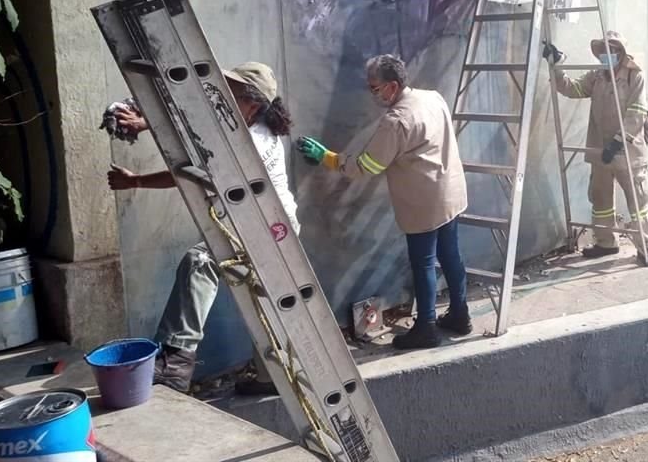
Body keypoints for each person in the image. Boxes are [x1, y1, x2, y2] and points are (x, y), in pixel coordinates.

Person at [106, 62, 298, 395]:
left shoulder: (249, 139)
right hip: (269, 226)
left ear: (252, 103)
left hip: (266, 228)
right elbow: (193, 130)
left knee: (200, 262)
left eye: (232, 92)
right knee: (264, 306)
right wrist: (146, 122)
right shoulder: (240, 125)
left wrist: (138, 166)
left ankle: (176, 364)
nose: (218, 97)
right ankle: (269, 380)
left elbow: (187, 170)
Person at [298, 54, 470, 350]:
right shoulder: (433, 98)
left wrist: (326, 157)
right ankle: (460, 315)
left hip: (423, 203)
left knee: (424, 263)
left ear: (392, 86)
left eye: (375, 88)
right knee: (450, 256)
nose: (372, 93)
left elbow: (366, 166)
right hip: (450, 191)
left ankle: (426, 327)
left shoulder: (396, 121)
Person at [543, 32, 648, 266]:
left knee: (637, 203)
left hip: (627, 152)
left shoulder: (634, 76)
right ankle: (606, 243)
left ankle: (645, 247)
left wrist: (618, 141)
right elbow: (572, 89)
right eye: (603, 51)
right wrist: (556, 66)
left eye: (612, 50)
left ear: (621, 52)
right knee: (601, 200)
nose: (607, 55)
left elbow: (636, 113)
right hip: (600, 151)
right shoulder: (597, 76)